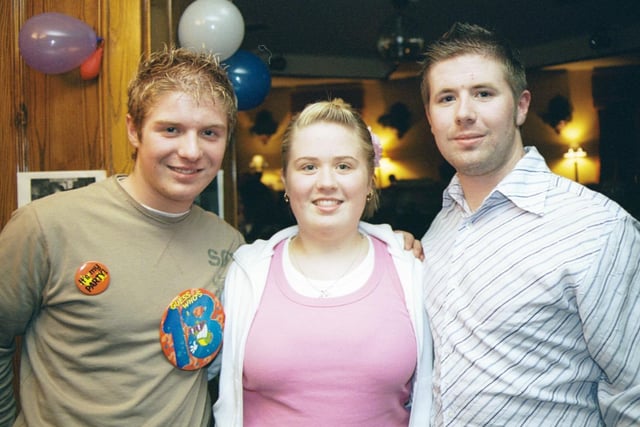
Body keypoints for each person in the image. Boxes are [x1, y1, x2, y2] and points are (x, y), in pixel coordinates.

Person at [0, 47, 246, 426]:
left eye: (210, 133)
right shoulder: (45, 227)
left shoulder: (230, 246)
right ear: (134, 130)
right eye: (171, 129)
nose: (191, 151)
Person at [419, 22, 640, 425]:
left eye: (483, 94)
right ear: (431, 118)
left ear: (521, 106)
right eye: (446, 98)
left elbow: (634, 395)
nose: (464, 113)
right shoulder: (438, 227)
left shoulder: (599, 228)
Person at [214, 99, 432, 426]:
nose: (326, 182)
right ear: (286, 181)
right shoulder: (246, 272)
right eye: (308, 166)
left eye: (344, 166)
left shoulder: (411, 271)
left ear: (370, 180)